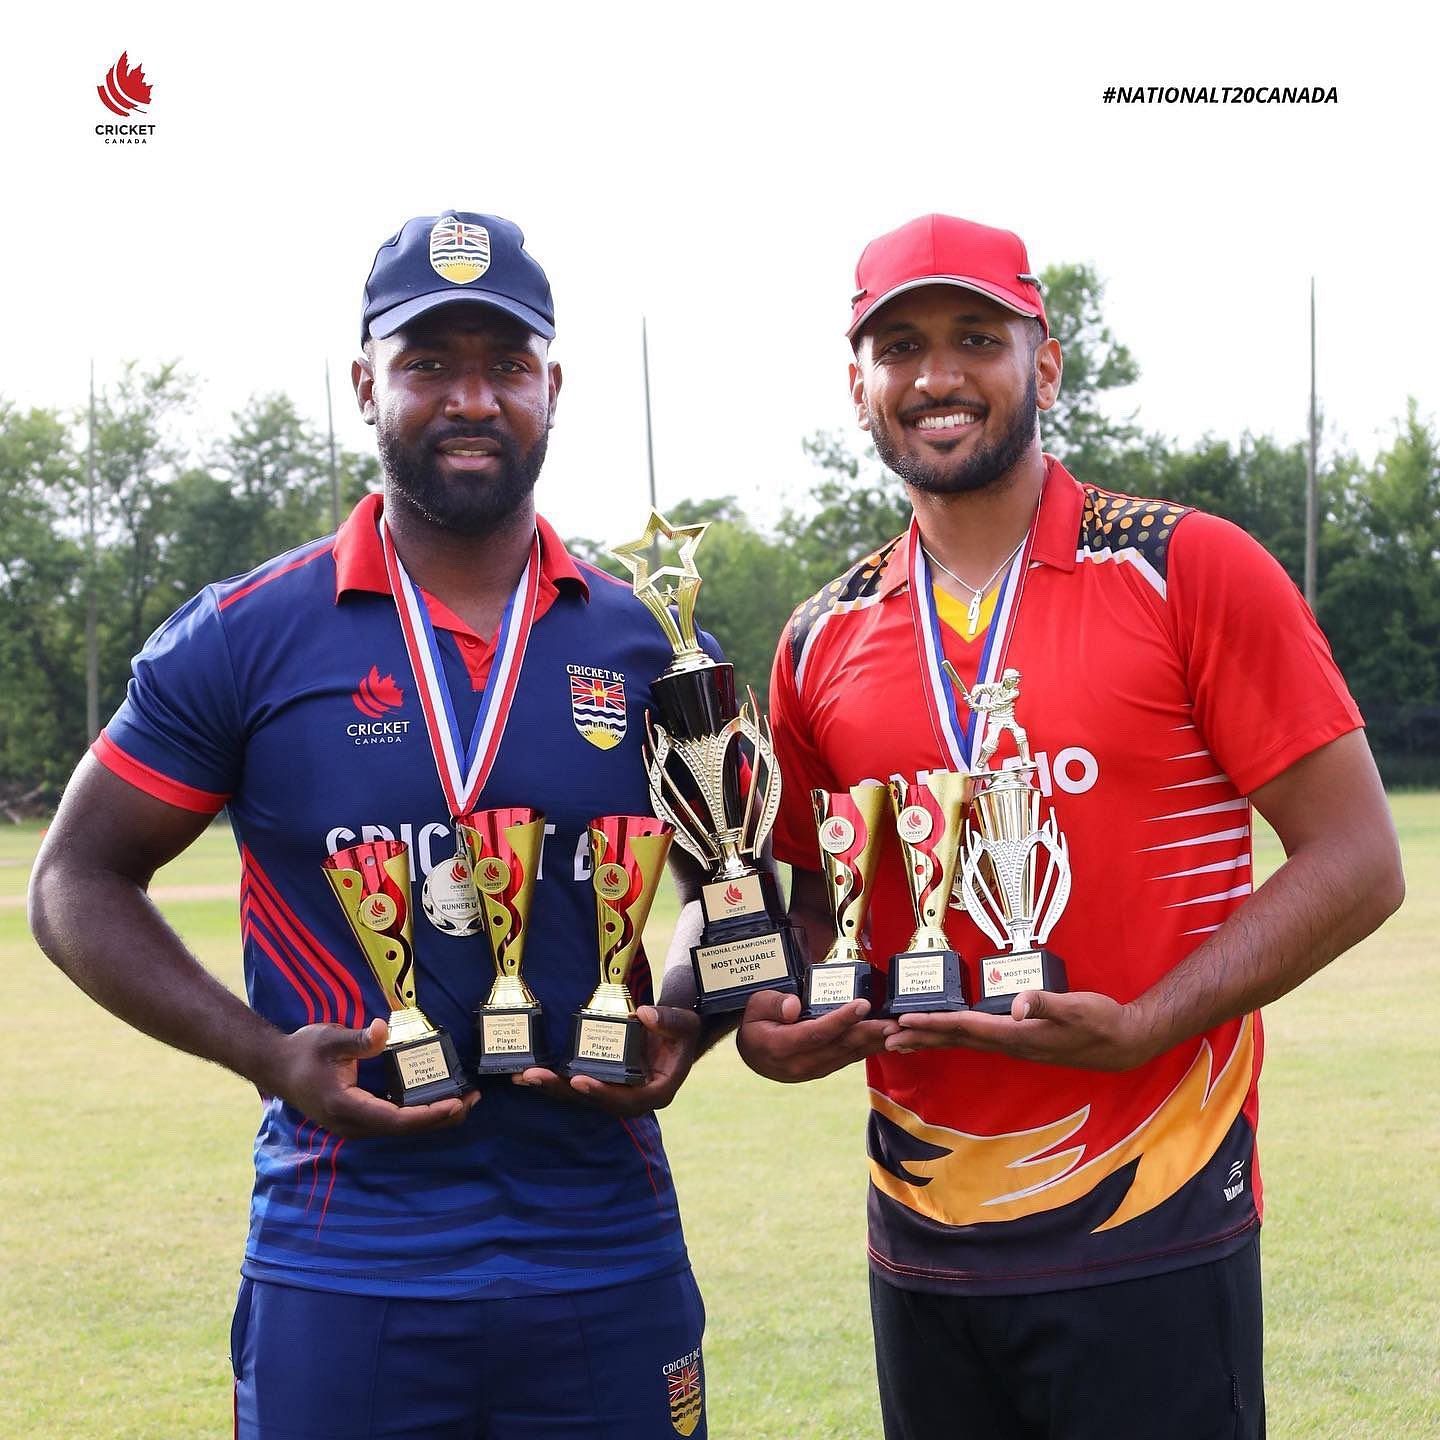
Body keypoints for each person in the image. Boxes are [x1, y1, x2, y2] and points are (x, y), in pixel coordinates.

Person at [29, 211, 713, 1440]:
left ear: (553, 387)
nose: (470, 398)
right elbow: (76, 881)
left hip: (603, 1250)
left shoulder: (651, 644)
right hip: (346, 1259)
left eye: (505, 366)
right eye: (427, 364)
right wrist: (263, 1053)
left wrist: (687, 1016)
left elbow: (739, 884)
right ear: (364, 384)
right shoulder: (247, 633)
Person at [738, 213, 1404, 1440]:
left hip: (1157, 1219)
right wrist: (769, 1019)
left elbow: (1360, 862)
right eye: (898, 348)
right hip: (923, 1237)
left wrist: (1148, 1022)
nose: (936, 375)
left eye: (975, 338)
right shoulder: (818, 638)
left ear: (1044, 365)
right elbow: (815, 907)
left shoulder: (1189, 568)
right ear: (859, 387)